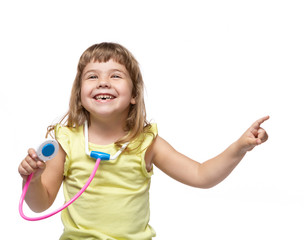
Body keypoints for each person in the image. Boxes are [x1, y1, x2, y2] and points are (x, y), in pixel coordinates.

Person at [18, 42, 269, 240]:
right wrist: (33, 179)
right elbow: (39, 205)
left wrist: (239, 148)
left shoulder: (146, 143)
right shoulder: (66, 142)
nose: (103, 81)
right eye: (92, 77)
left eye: (115, 76)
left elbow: (202, 175)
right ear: (79, 94)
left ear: (134, 95)